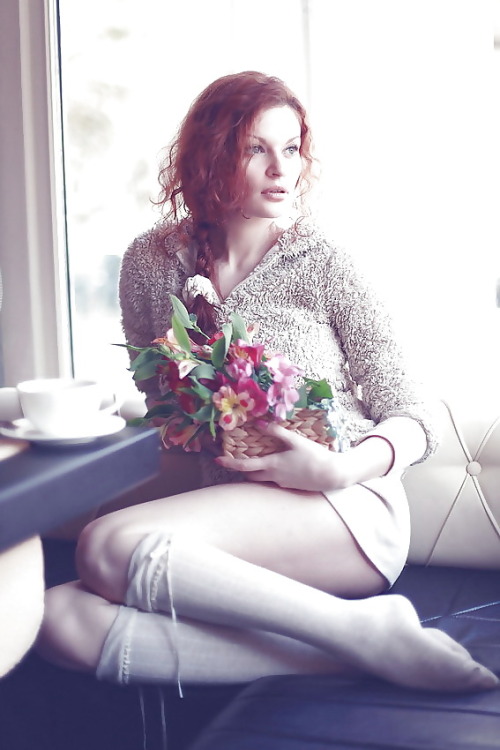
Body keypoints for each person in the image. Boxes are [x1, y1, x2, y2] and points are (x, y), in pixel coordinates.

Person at [37, 71, 497, 692]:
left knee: (105, 547)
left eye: (291, 147)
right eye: (256, 148)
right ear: (210, 156)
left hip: (343, 509)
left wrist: (338, 470)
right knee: (57, 619)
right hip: (233, 515)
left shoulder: (321, 260)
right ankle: (352, 640)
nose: (281, 168)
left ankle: (359, 630)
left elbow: (413, 414)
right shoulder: (149, 264)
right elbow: (167, 413)